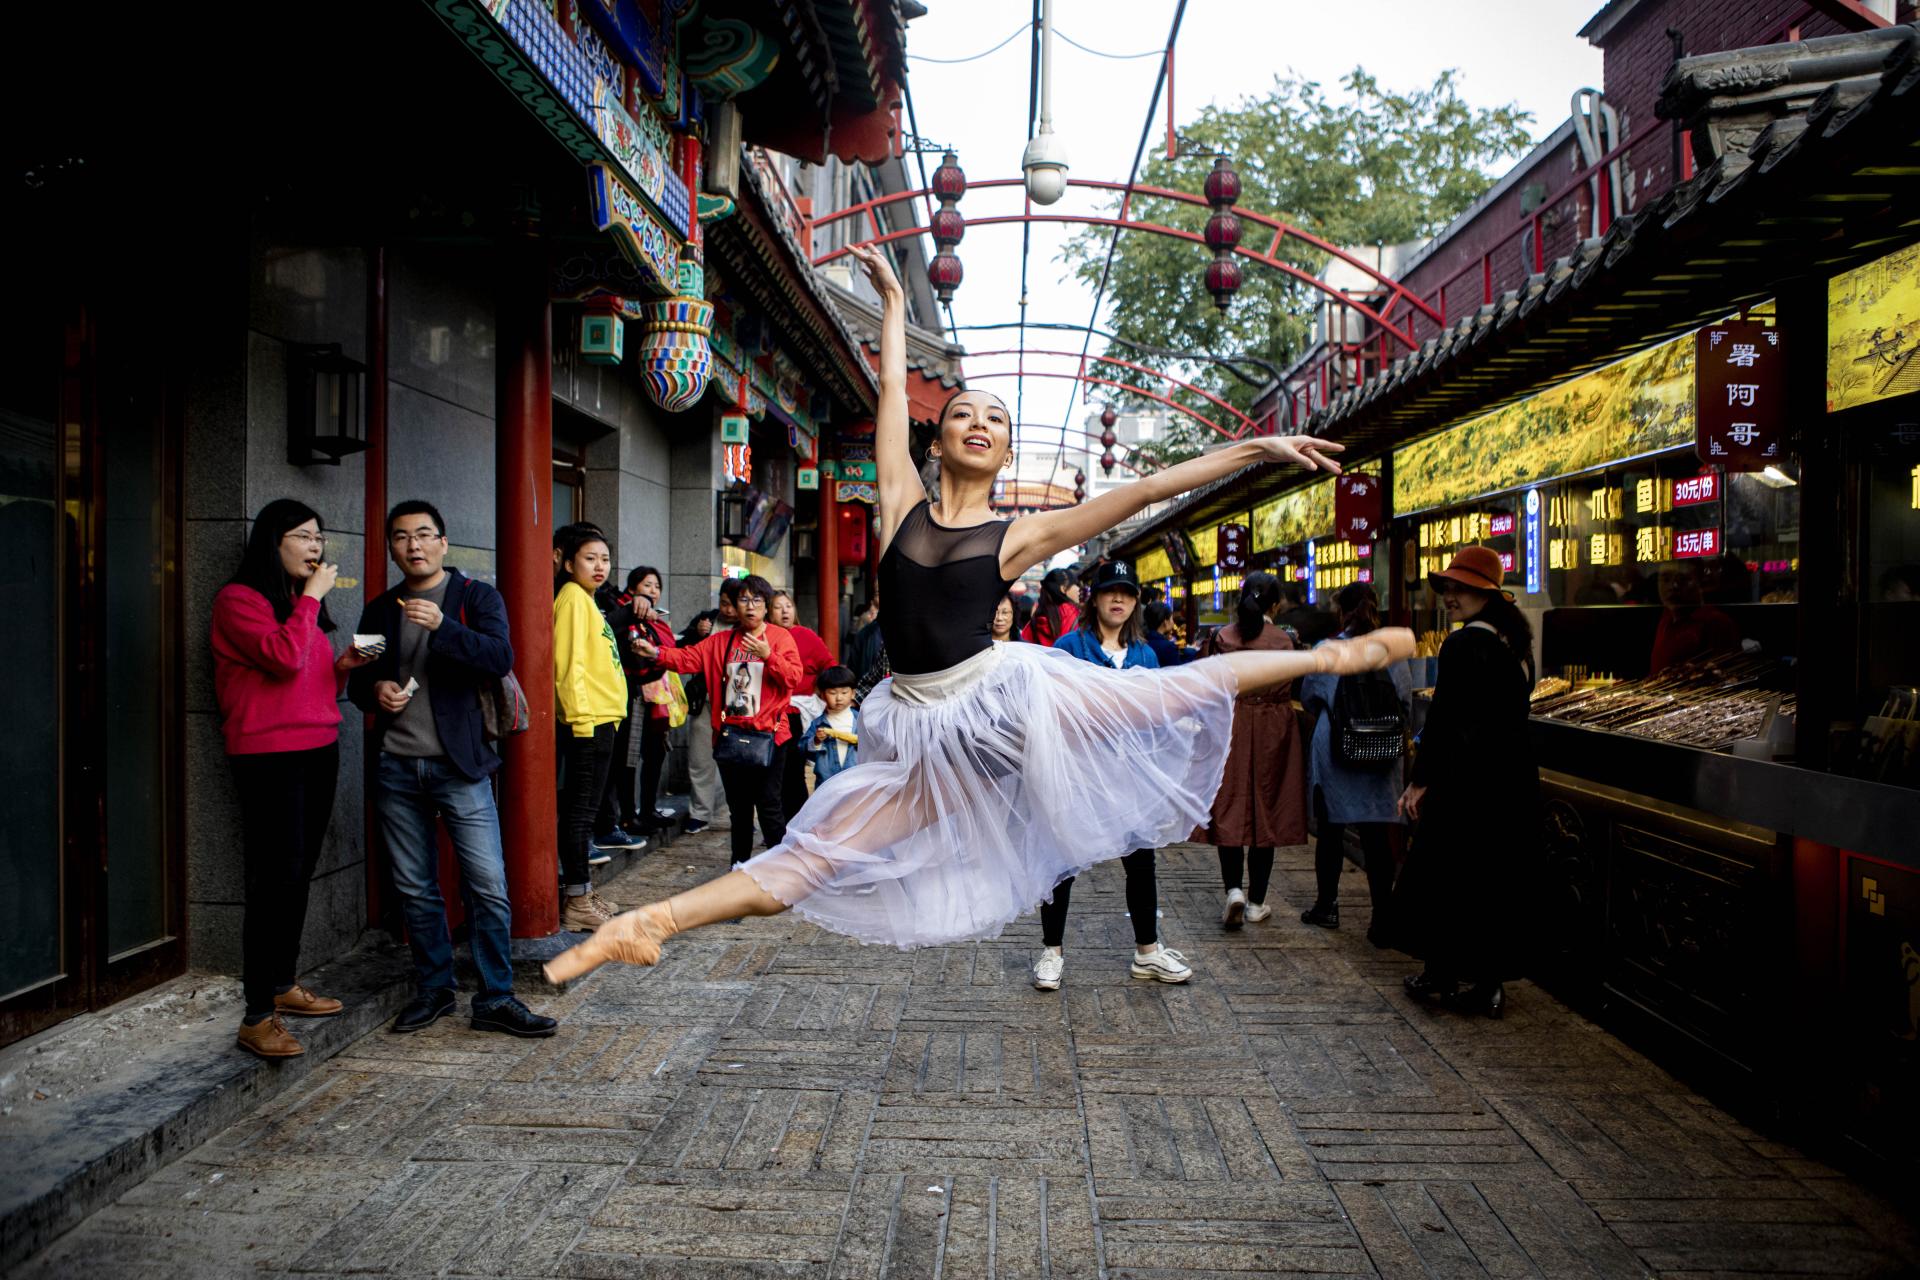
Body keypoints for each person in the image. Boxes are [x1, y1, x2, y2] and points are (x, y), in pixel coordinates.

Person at [546, 241, 1409, 981]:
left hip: (1000, 701)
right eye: (962, 412)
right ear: (940, 438)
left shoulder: (1016, 537)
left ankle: (1325, 658)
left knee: (1167, 696)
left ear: (1003, 450)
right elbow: (890, 391)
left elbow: (1143, 486)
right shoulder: (900, 502)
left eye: (995, 418)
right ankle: (648, 922)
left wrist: (1253, 447)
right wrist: (889, 304)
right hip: (921, 729)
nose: (978, 422)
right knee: (810, 860)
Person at [349, 500, 555, 1038]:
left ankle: (496, 997)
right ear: (391, 547)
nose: (412, 546)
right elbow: (355, 680)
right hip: (397, 765)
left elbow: (498, 657)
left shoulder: (474, 598)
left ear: (443, 542)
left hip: (460, 766)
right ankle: (435, 987)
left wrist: (443, 627)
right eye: (400, 537)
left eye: (422, 535)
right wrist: (374, 689)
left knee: (487, 884)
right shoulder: (379, 608)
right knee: (415, 886)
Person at [211, 499, 374, 1059]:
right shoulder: (240, 601)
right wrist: (310, 601)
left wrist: (342, 668)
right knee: (274, 879)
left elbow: (305, 682)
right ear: (271, 541)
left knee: (299, 872)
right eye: (303, 536)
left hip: (317, 748)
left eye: (320, 537)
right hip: (268, 755)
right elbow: (280, 660)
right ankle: (257, 1016)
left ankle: (282, 984)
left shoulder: (296, 604)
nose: (315, 547)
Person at [1388, 546, 1539, 1018]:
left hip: (1466, 782)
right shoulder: (1516, 643)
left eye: (1462, 588)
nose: (1450, 597)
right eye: (1448, 587)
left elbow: (1447, 720)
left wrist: (1420, 780)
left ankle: (1444, 971)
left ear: (1486, 594)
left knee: (1447, 873)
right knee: (1491, 878)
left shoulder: (1462, 645)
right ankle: (1481, 981)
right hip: (1510, 781)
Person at [1034, 559, 1190, 989]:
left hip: (1128, 777)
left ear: (1136, 601)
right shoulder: (1068, 648)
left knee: (1141, 861)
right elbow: (1048, 708)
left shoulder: (1145, 654)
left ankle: (1148, 952)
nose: (1118, 599)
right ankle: (1052, 953)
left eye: (1126, 592)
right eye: (1109, 591)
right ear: (1095, 599)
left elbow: (1157, 717)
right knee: (1060, 862)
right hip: (1077, 774)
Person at [641, 575, 802, 865]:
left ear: (766, 607)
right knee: (738, 810)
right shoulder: (721, 641)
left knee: (769, 806)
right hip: (730, 737)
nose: (750, 607)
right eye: (744, 600)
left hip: (770, 736)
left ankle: (781, 870)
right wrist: (656, 653)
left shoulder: (780, 638)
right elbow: (687, 659)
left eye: (757, 601)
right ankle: (739, 866)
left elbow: (793, 677)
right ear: (734, 607)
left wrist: (768, 656)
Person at [1298, 583, 1411, 943]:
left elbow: (1310, 699)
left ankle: (1327, 906)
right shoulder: (1392, 650)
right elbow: (1405, 702)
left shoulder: (1327, 650)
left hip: (1336, 748)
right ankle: (1382, 920)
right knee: (1377, 837)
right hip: (1382, 753)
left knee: (1330, 830)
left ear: (1340, 612)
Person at [1201, 571, 1308, 929]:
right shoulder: (1284, 640)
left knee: (1229, 804)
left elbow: (1205, 684)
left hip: (1229, 723)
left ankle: (1233, 889)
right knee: (1268, 806)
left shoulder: (1221, 637)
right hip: (1272, 728)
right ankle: (1257, 901)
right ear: (1275, 605)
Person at [553, 526, 627, 931]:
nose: (599, 566)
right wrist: (581, 721)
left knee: (587, 811)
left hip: (602, 718)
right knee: (580, 814)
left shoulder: (586, 599)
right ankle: (576, 899)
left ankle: (583, 890)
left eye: (604, 559)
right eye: (589, 559)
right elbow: (567, 667)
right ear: (567, 563)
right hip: (588, 723)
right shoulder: (571, 600)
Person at [601, 565, 672, 843]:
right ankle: (626, 816)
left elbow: (668, 650)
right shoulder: (620, 611)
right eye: (647, 585)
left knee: (654, 753)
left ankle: (643, 810)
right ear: (632, 589)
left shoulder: (653, 619)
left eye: (656, 586)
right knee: (626, 759)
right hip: (629, 694)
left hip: (655, 696)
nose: (652, 591)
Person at [770, 589, 835, 818]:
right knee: (769, 777)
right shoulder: (764, 637)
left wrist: (827, 695)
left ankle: (796, 825)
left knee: (792, 774)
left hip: (796, 713)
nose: (785, 610)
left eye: (788, 605)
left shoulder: (805, 636)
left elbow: (829, 666)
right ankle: (776, 828)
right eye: (778, 607)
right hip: (767, 714)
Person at [682, 586, 739, 836]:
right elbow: (683, 648)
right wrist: (697, 634)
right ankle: (700, 813)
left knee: (741, 760)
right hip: (706, 701)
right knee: (700, 758)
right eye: (724, 603)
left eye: (733, 604)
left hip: (738, 706)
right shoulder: (707, 620)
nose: (727, 610)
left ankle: (740, 814)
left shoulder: (751, 626)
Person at [804, 665, 861, 787]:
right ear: (823, 695)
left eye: (844, 692)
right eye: (832, 693)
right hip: (826, 783)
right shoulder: (818, 724)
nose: (839, 698)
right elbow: (804, 750)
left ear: (853, 693)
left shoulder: (861, 721)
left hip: (855, 782)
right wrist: (816, 741)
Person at [1021, 567, 1080, 645]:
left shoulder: (1036, 617)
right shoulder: (1072, 612)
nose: (1078, 589)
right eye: (1075, 584)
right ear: (1063, 588)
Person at [1142, 600, 1191, 667]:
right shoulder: (1168, 647)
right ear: (1165, 622)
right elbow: (1177, 671)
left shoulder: (1141, 642)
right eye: (1171, 619)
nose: (1173, 623)